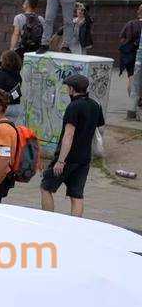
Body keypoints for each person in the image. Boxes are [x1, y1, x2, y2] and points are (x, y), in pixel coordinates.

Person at [42, 72, 103, 216]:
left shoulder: (73, 107)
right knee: (76, 195)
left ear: (72, 89)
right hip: (84, 158)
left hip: (68, 158)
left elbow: (68, 135)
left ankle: (47, 220)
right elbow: (99, 127)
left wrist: (61, 161)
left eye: (67, 88)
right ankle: (76, 226)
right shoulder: (95, 105)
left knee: (46, 187)